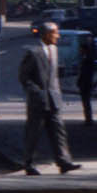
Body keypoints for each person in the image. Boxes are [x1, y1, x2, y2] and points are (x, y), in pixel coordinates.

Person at [17, 21, 79, 175]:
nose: (58, 36)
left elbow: (54, 75)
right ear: (46, 35)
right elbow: (24, 77)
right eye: (55, 33)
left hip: (54, 100)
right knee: (33, 132)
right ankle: (28, 163)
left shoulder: (54, 50)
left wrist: (58, 92)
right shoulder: (33, 52)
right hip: (38, 102)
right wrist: (36, 92)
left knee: (59, 131)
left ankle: (64, 162)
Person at [76, 37, 97, 126]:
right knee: (85, 102)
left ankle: (88, 119)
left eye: (81, 49)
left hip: (86, 83)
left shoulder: (87, 59)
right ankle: (88, 118)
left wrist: (81, 81)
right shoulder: (85, 58)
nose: (80, 51)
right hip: (85, 83)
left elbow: (85, 73)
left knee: (86, 102)